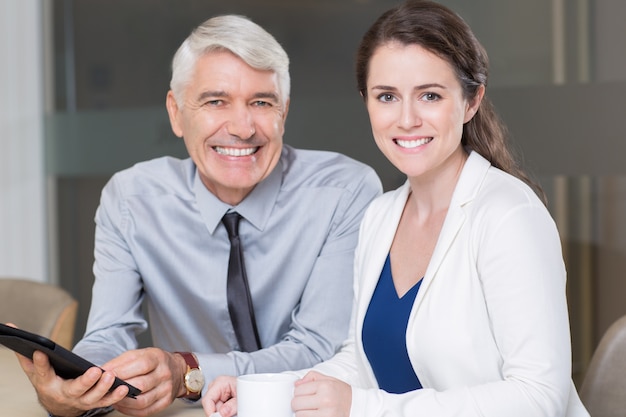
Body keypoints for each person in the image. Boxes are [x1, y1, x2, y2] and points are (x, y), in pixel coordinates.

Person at [202, 1, 590, 416]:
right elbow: (360, 363)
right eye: (387, 96)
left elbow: (538, 397)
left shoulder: (508, 215)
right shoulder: (381, 215)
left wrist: (364, 408)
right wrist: (265, 390)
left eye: (430, 95)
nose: (406, 119)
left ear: (471, 101)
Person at [14, 14, 382, 417]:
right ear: (176, 113)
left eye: (262, 102)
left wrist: (186, 371)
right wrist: (75, 387)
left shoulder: (345, 192)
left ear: (284, 113)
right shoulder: (131, 200)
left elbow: (318, 349)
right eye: (215, 101)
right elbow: (109, 334)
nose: (242, 128)